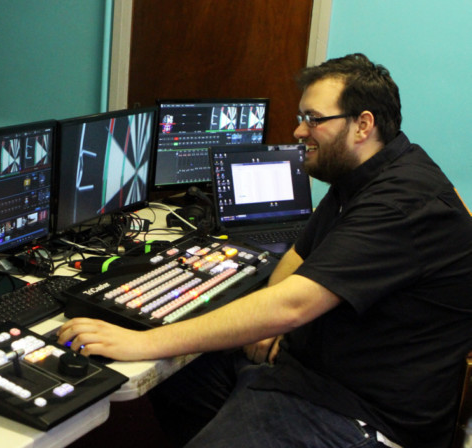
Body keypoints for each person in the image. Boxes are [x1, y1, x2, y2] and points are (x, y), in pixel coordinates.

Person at [57, 53, 472, 448]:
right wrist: (272, 325)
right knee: (186, 372)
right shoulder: (365, 175)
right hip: (312, 373)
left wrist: (143, 343)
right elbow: (299, 256)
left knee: (170, 351)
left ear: (363, 124)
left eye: (313, 120)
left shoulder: (402, 203)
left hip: (361, 416)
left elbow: (293, 304)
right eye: (300, 118)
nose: (298, 131)